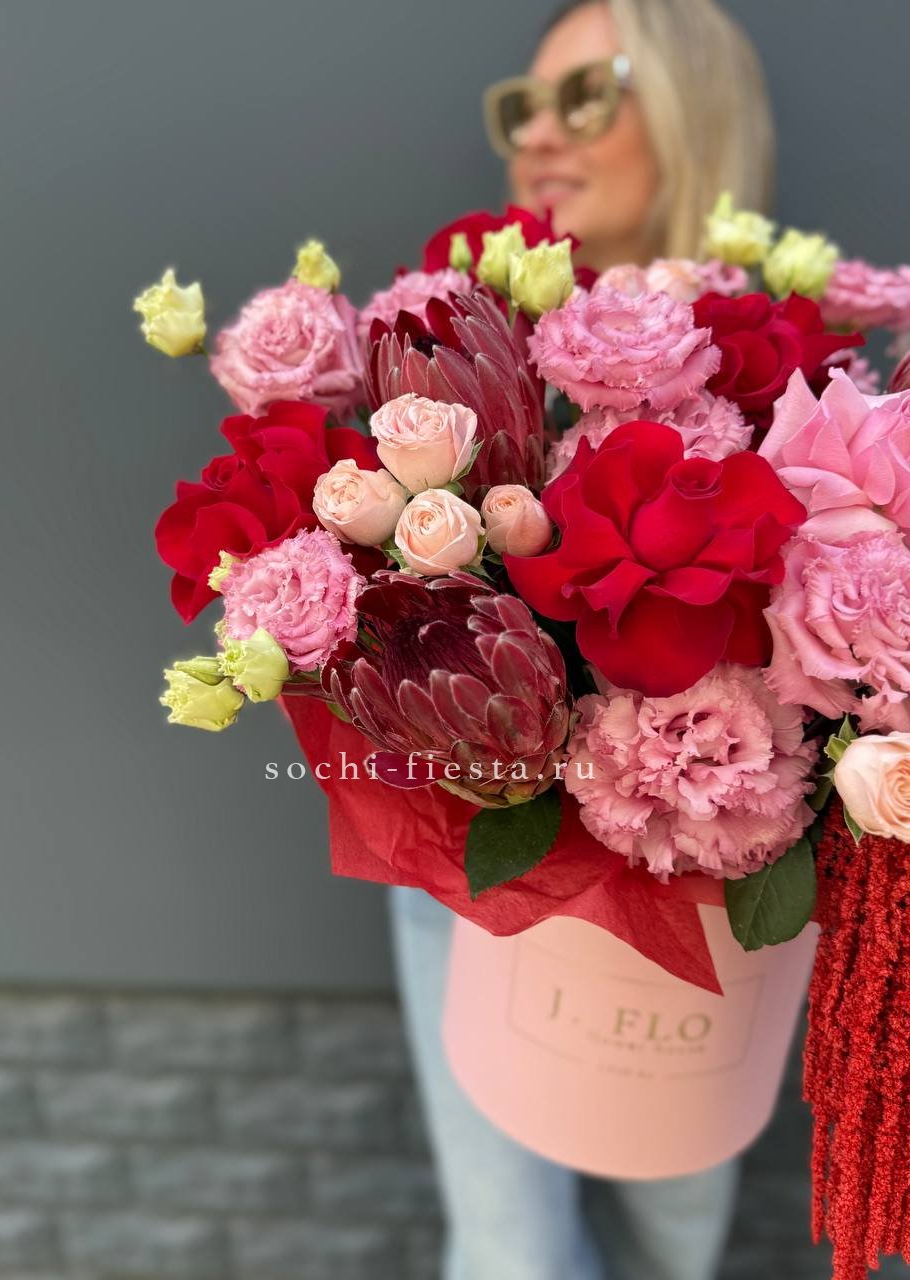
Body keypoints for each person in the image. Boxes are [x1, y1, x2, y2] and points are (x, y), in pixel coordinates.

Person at [388, 2, 775, 1278]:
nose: (539, 137)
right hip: (475, 866)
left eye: (587, 96)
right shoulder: (460, 374)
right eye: (523, 107)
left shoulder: (793, 374)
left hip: (706, 886)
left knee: (679, 1229)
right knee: (508, 1251)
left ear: (689, 115)